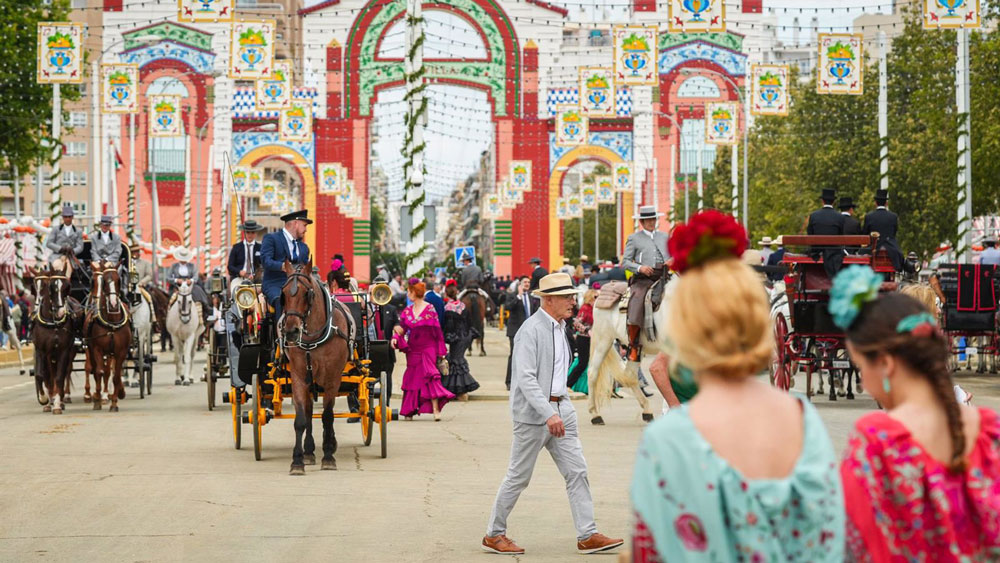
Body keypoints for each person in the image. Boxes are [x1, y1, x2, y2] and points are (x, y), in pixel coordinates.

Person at [630, 210, 844, 561]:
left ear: (685, 329)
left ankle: (635, 341)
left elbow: (651, 549)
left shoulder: (667, 438)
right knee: (637, 297)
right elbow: (827, 538)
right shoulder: (800, 418)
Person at [829, 266, 1000, 560]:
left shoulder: (877, 439)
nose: (863, 382)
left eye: (863, 366)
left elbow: (852, 541)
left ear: (886, 363)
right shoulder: (987, 429)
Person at [483, 272, 623, 556]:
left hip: (562, 409)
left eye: (572, 295)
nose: (573, 301)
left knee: (577, 471)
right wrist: (549, 413)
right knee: (519, 476)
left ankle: (587, 534)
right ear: (548, 300)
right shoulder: (530, 330)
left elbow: (559, 372)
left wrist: (562, 408)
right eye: (566, 297)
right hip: (535, 416)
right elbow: (525, 379)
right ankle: (494, 534)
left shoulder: (561, 327)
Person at [392, 279, 454, 420]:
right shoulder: (407, 311)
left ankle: (435, 409)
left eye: (409, 291)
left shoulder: (430, 309)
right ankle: (409, 410)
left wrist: (440, 350)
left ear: (415, 292)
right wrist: (395, 337)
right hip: (413, 349)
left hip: (428, 348)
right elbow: (402, 328)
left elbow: (437, 331)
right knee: (411, 378)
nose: (407, 294)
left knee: (430, 376)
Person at [621, 205, 670, 364]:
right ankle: (634, 345)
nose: (651, 222)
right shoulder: (634, 238)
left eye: (653, 219)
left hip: (664, 275)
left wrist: (672, 261)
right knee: (637, 300)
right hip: (644, 278)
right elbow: (626, 262)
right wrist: (640, 268)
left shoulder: (665, 236)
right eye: (648, 220)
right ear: (641, 221)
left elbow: (673, 254)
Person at [260, 209, 312, 320]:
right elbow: (265, 261)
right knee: (281, 299)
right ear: (296, 223)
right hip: (276, 284)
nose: (306, 230)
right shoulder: (272, 239)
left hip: (298, 284)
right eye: (304, 225)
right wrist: (283, 266)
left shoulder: (304, 247)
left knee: (313, 297)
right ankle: (282, 333)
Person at [441, 281, 480, 399]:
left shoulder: (448, 308)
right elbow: (469, 322)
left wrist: (446, 336)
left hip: (456, 338)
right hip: (466, 336)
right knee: (457, 359)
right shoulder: (462, 305)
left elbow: (449, 326)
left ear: (447, 294)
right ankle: (458, 390)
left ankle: (461, 391)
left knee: (455, 360)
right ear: (456, 292)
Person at [502, 276, 537, 390]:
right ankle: (509, 381)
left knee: (530, 356)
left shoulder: (533, 297)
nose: (527, 284)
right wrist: (519, 296)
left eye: (528, 282)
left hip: (529, 331)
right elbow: (508, 307)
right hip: (515, 331)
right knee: (514, 355)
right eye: (524, 282)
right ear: (519, 285)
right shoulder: (513, 296)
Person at [807, 188, 846, 279]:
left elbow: (810, 234)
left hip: (817, 250)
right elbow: (841, 236)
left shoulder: (814, 215)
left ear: (822, 201)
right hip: (834, 252)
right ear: (834, 202)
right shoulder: (840, 217)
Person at [862, 189, 904, 271]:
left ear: (875, 203)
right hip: (891, 249)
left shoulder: (869, 216)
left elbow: (865, 233)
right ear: (886, 203)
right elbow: (894, 233)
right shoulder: (893, 216)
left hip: (873, 249)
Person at [567, 288, 596, 391]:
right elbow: (576, 323)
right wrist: (587, 330)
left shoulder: (594, 309)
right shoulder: (585, 308)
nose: (596, 300)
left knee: (590, 363)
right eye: (595, 297)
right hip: (583, 338)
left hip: (591, 339)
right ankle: (568, 384)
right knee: (582, 363)